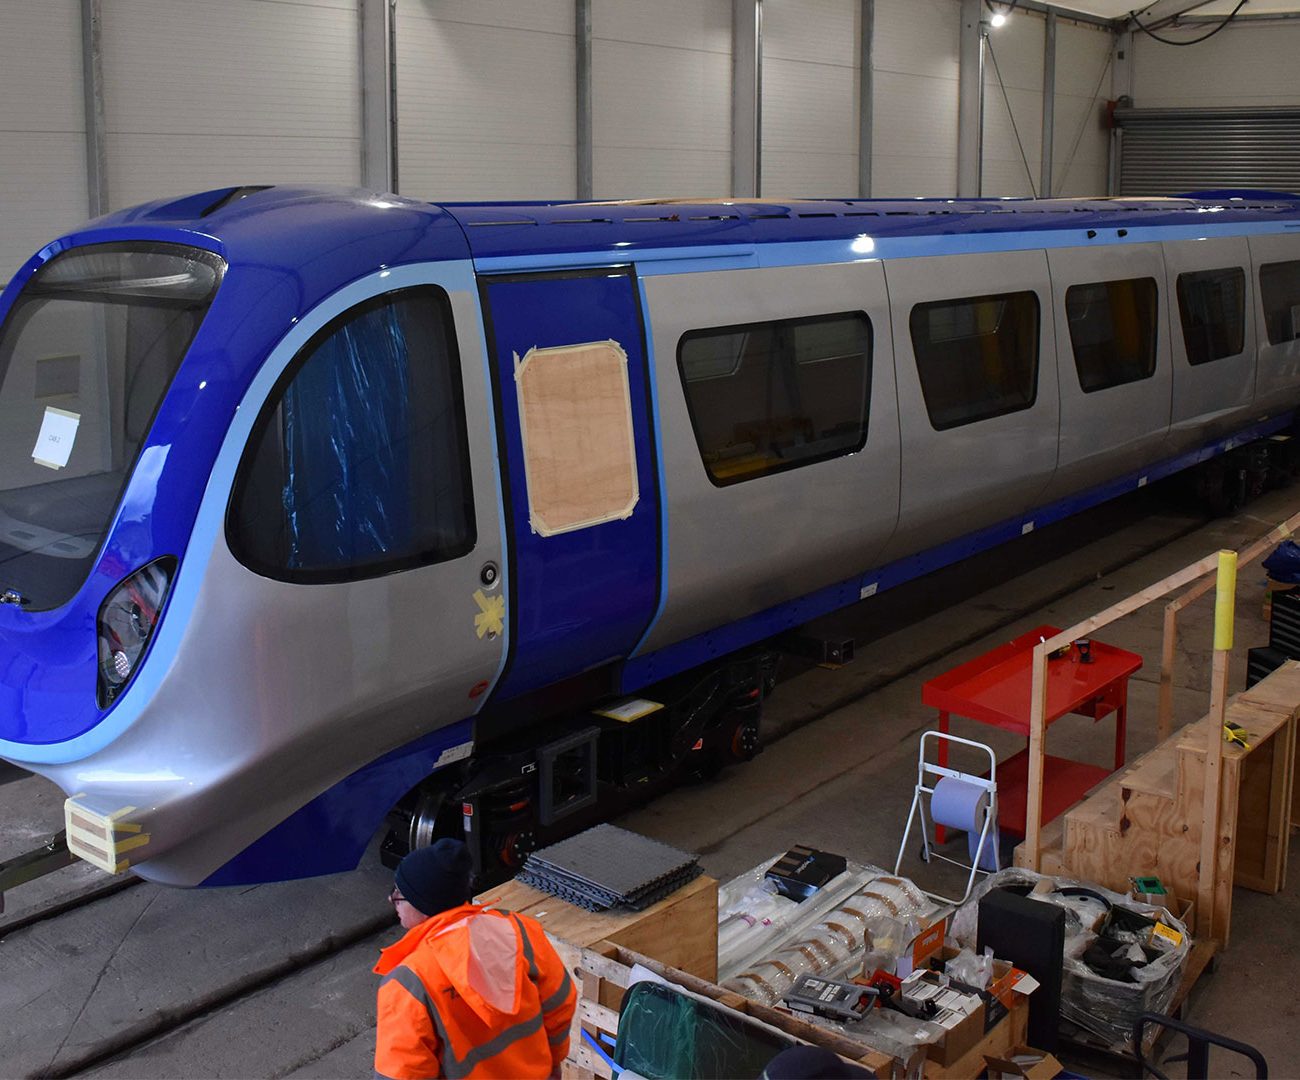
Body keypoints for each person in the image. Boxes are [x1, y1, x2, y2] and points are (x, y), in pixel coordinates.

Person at [374, 839, 576, 1079]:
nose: (391, 899)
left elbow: (402, 1073)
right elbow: (560, 1000)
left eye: (399, 893)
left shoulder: (408, 983)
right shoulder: (517, 931)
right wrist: (553, 1062)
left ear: (424, 903)